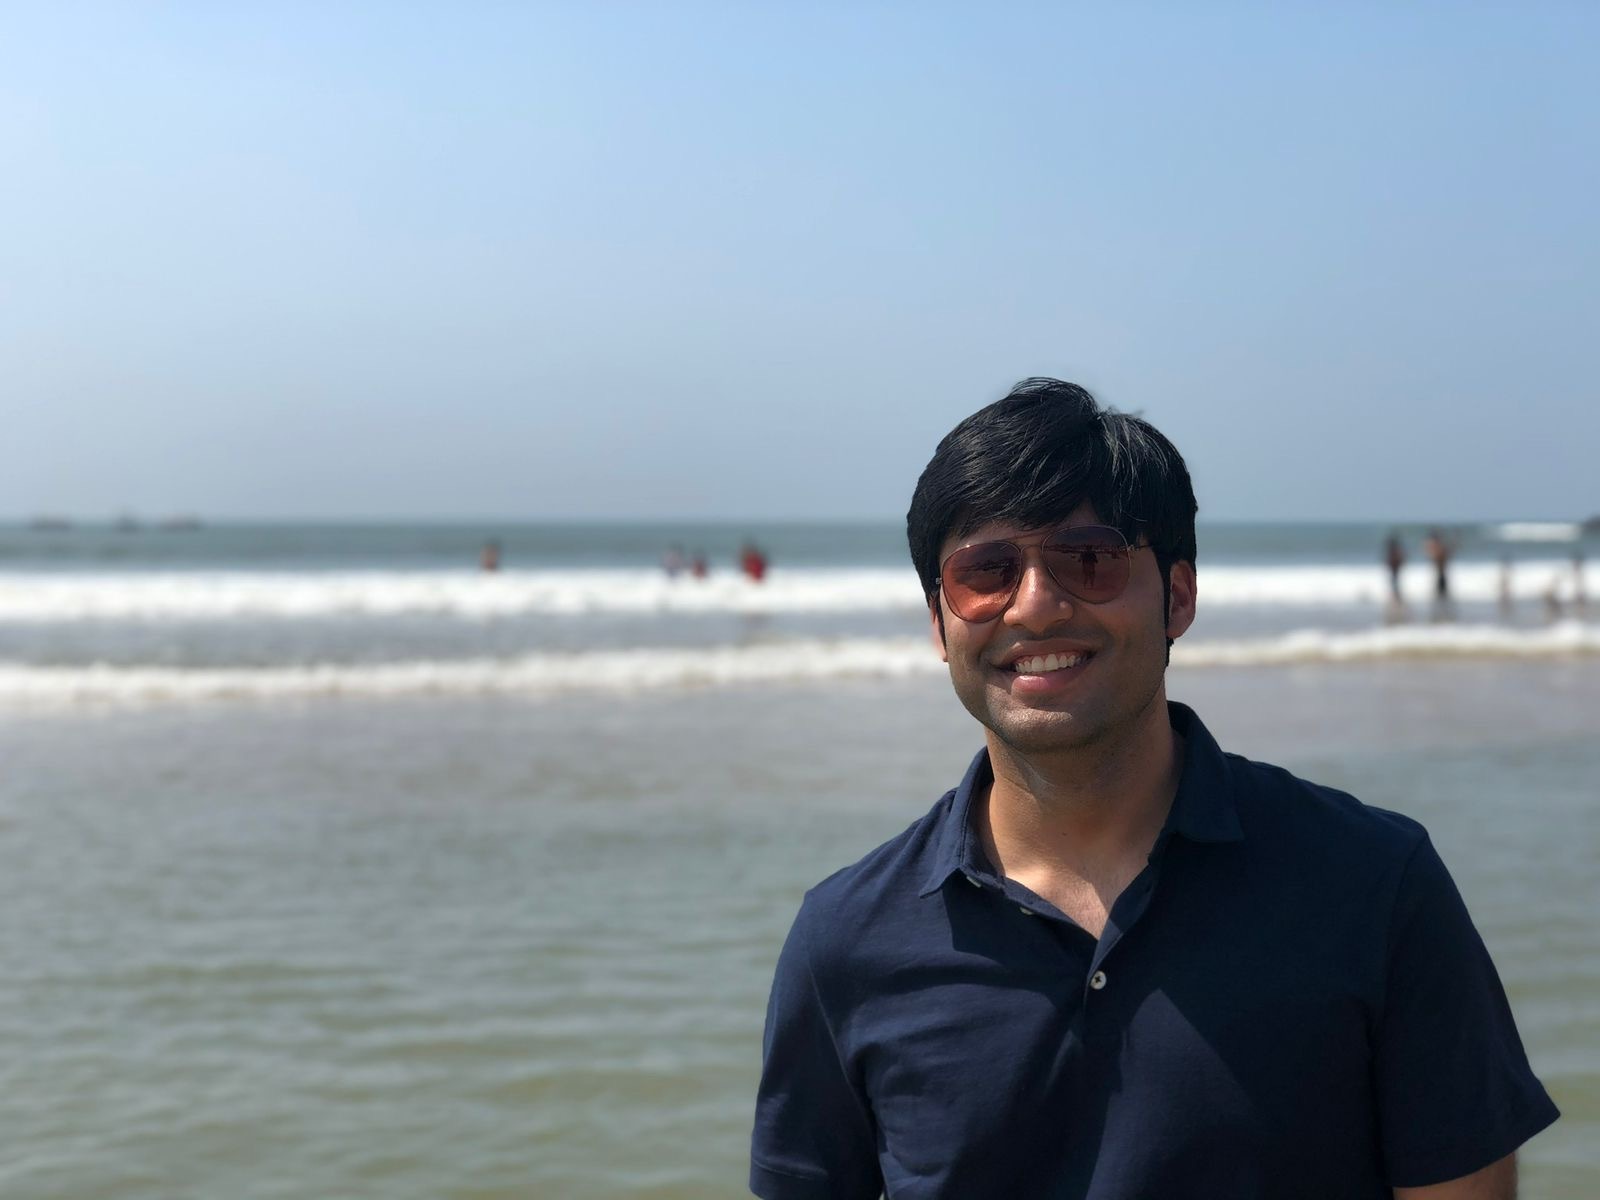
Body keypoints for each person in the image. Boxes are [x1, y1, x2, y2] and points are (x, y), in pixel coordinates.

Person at [751, 379, 1556, 1200]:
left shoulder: (1375, 886)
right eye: (984, 572)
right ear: (939, 623)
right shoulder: (845, 941)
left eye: (1089, 559)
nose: (1033, 606)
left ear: (1178, 595)